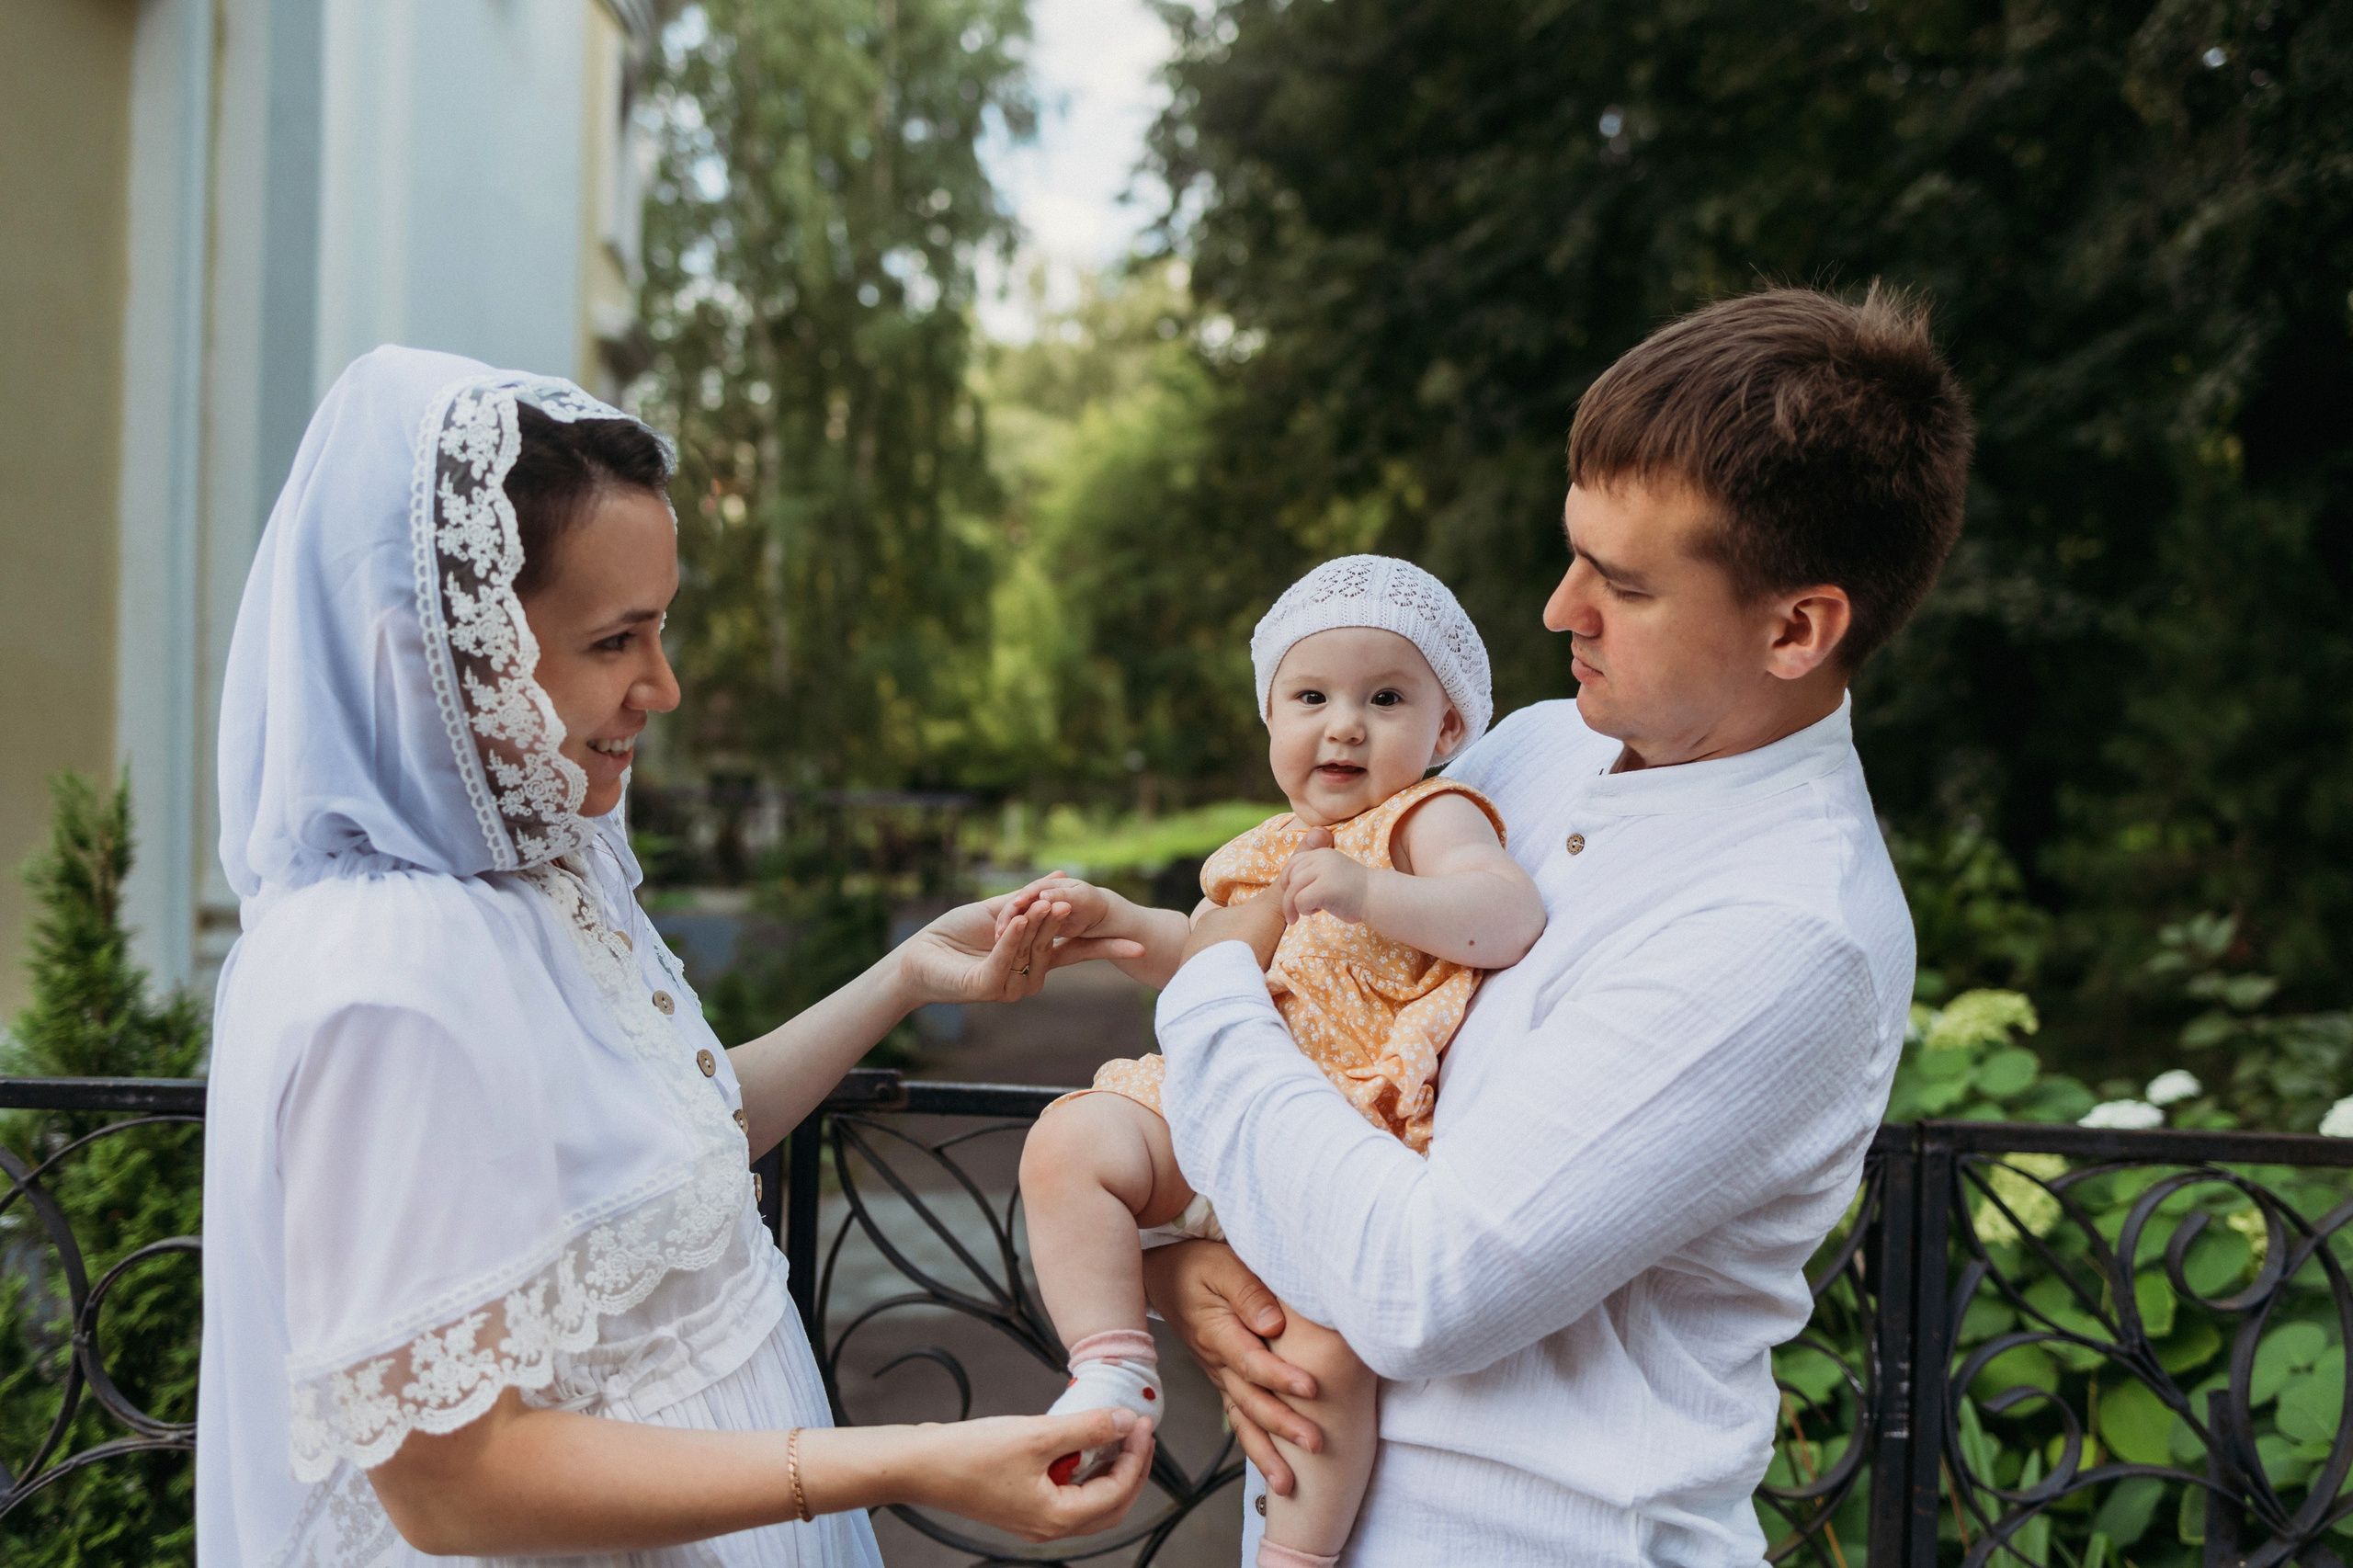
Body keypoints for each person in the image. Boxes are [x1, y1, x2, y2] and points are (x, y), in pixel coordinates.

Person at [197, 346, 1154, 1567]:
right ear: (435, 653)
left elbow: (661, 1151)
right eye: (615, 640)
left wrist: (908, 972)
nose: (664, 684)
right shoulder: (384, 976)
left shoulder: (540, 868)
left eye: (662, 628)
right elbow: (451, 1480)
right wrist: (911, 1458)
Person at [1137, 283, 1973, 1565]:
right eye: (1573, 549)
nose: (1556, 607)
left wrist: (1205, 990)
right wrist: (1187, 1269)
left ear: (1796, 627)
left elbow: (1420, 1285)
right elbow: (1319, 1045)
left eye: (1621, 584)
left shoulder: (1788, 930)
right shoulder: (1532, 750)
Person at [1004, 557, 1547, 1568]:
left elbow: (1506, 912)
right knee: (1068, 1141)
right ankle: (1111, 1369)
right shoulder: (1273, 845)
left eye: (1385, 699)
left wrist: (1369, 891)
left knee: (1319, 1364)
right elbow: (1209, 953)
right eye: (1311, 698)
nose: (1344, 727)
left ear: (1445, 728)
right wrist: (1121, 921)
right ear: (1269, 717)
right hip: (1213, 1117)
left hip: (1333, 1140)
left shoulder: (1422, 819)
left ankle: (1294, 1554)